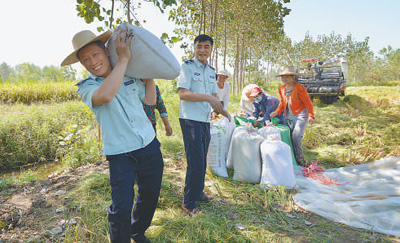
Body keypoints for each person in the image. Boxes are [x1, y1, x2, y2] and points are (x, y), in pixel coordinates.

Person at [61, 29, 164, 243]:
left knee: (150, 195)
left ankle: (137, 232)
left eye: (96, 54)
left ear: (107, 52)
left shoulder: (129, 74)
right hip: (121, 155)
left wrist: (149, 77)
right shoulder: (87, 87)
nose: (92, 62)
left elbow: (149, 101)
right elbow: (106, 96)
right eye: (86, 59)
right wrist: (124, 59)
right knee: (122, 206)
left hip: (149, 144)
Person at [177, 34, 230, 217]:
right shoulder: (187, 67)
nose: (202, 50)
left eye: (206, 47)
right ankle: (188, 201)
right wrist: (207, 98)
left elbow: (215, 96)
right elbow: (183, 94)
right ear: (194, 48)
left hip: (205, 120)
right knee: (195, 161)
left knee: (203, 160)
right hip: (190, 119)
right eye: (199, 46)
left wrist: (224, 112)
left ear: (211, 50)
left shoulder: (211, 71)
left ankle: (198, 192)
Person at [270, 65, 316, 165]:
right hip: (288, 115)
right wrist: (277, 112)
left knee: (296, 135)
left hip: (300, 115)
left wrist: (311, 115)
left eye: (287, 76)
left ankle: (299, 157)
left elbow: (307, 102)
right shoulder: (281, 89)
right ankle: (291, 157)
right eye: (283, 77)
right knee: (288, 136)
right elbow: (282, 102)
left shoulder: (300, 88)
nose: (284, 79)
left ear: (293, 77)